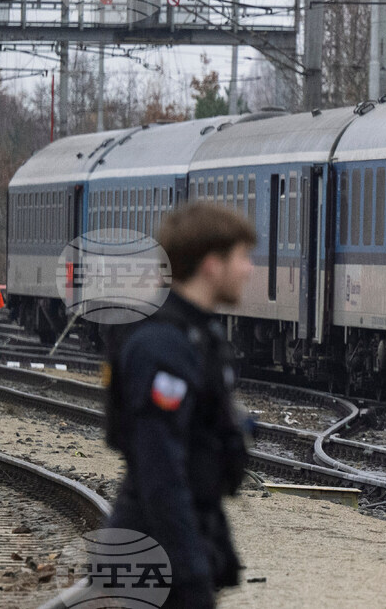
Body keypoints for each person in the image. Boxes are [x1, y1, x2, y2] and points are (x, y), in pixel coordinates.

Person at [104, 203, 256, 608]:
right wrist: (189, 572)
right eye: (242, 257)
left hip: (172, 544)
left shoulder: (198, 336)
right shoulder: (162, 346)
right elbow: (160, 471)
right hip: (152, 551)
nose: (249, 269)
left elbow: (198, 460)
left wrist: (217, 550)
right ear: (211, 265)